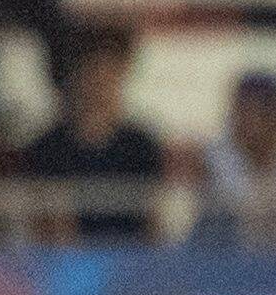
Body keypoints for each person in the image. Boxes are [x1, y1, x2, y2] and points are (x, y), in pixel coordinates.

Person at [16, 22, 167, 243]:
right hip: (68, 266)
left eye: (110, 73)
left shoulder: (141, 147)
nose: (100, 84)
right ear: (75, 75)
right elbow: (49, 231)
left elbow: (153, 228)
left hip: (132, 265)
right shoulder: (47, 149)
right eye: (92, 71)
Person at [190, 67, 276, 251]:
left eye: (254, 112)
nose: (241, 120)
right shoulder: (217, 160)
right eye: (239, 111)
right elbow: (238, 217)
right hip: (222, 259)